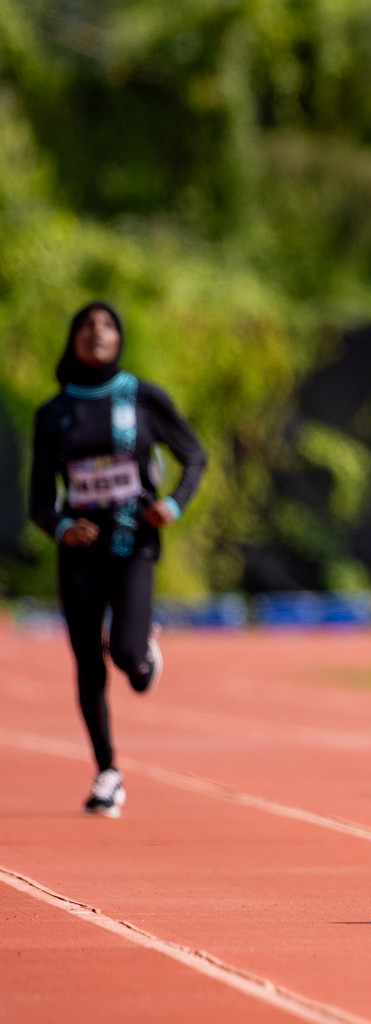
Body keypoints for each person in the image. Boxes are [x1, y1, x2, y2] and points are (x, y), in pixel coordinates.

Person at [29, 301, 207, 817]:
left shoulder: (143, 398)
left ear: (120, 337)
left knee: (126, 657)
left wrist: (172, 504)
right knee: (87, 660)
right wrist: (62, 526)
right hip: (81, 550)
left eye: (107, 325)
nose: (97, 332)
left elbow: (194, 455)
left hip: (134, 543)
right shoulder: (54, 413)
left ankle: (144, 652)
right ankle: (107, 772)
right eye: (86, 325)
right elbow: (39, 499)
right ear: (73, 339)